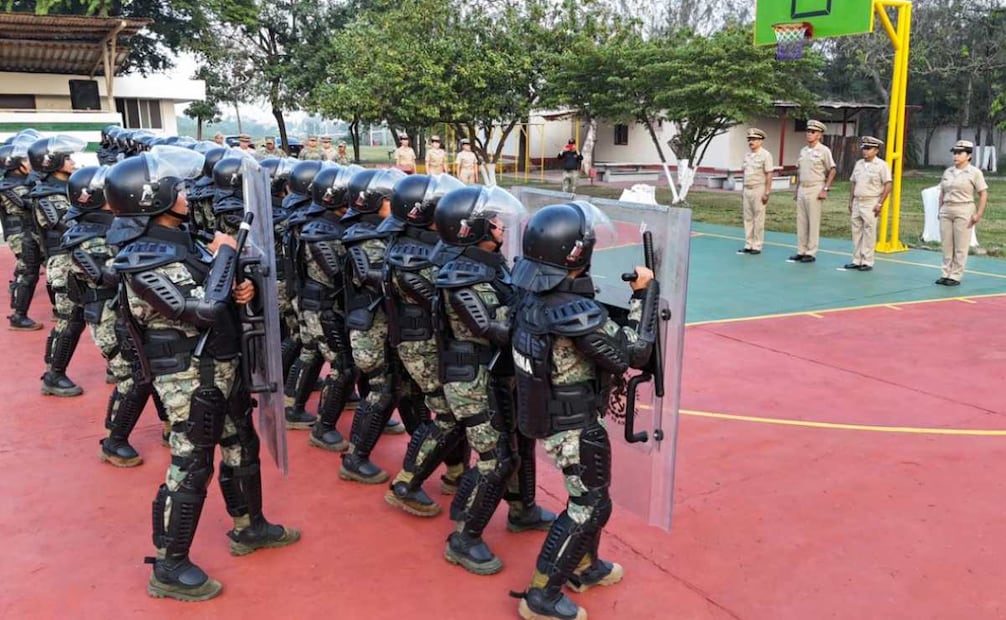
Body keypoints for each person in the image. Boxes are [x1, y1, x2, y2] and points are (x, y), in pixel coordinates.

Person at [107, 147, 300, 602]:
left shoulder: (182, 239)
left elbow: (216, 290)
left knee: (241, 444)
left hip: (220, 366)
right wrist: (226, 257)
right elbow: (202, 308)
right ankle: (169, 565)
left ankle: (249, 525)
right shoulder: (143, 257)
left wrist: (239, 286)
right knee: (191, 463)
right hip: (188, 378)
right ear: (151, 199)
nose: (186, 195)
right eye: (176, 189)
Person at [509, 201, 658, 620]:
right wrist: (644, 296)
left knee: (593, 498)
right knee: (588, 505)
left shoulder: (531, 295)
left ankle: (584, 565)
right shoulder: (573, 313)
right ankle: (541, 594)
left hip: (555, 414)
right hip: (573, 423)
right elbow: (633, 352)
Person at [424, 184, 556, 575]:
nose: (501, 225)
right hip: (471, 381)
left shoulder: (490, 265)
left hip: (495, 374)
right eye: (493, 221)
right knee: (497, 459)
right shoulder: (460, 278)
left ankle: (522, 509)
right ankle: (464, 536)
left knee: (520, 442)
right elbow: (494, 329)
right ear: (473, 229)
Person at [339, 167, 408, 483]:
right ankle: (355, 458)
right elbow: (378, 278)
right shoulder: (364, 238)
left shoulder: (379, 232)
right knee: (381, 390)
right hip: (369, 329)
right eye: (390, 200)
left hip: (382, 327)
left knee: (395, 388)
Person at [29, 135, 88, 396]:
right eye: (67, 158)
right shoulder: (47, 195)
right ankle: (54, 374)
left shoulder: (68, 189)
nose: (73, 162)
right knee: (70, 319)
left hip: (81, 258)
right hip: (64, 262)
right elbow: (68, 225)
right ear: (50, 162)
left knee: (93, 315)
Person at [0, 134, 44, 330]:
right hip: (23, 233)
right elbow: (28, 204)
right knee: (29, 273)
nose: (29, 163)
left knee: (35, 270)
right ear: (14, 165)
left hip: (33, 232)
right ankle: (18, 315)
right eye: (25, 160)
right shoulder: (9, 186)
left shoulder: (24, 182)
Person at [937, 140, 988, 286]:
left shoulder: (975, 173)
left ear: (969, 156)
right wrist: (940, 209)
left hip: (964, 208)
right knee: (947, 244)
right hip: (947, 208)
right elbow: (942, 192)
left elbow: (983, 194)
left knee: (961, 244)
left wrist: (978, 214)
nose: (956, 156)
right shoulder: (948, 171)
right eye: (955, 153)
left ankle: (955, 275)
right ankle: (945, 273)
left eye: (960, 153)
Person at [789, 119, 836, 264]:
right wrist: (797, 189)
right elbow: (800, 171)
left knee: (813, 221)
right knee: (801, 221)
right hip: (803, 187)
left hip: (815, 187)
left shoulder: (824, 150)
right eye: (808, 131)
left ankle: (811, 252)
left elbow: (832, 170)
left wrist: (825, 189)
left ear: (819, 135)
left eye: (813, 132)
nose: (809, 134)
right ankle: (801, 250)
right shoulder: (803, 150)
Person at [842, 136, 892, 272]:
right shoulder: (859, 164)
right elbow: (854, 182)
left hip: (871, 200)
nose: (865, 151)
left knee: (869, 232)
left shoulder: (881, 165)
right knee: (856, 231)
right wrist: (851, 200)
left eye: (868, 148)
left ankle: (867, 261)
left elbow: (888, 185)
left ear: (876, 150)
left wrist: (880, 203)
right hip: (858, 200)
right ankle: (856, 259)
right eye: (864, 148)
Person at [738, 128, 774, 255]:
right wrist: (742, 190)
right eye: (749, 139)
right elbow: (745, 174)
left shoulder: (766, 155)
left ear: (760, 141)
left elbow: (769, 174)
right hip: (747, 188)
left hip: (759, 188)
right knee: (747, 218)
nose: (751, 142)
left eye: (753, 139)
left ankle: (757, 245)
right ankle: (748, 243)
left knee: (758, 218)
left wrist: (767, 192)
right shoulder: (747, 156)